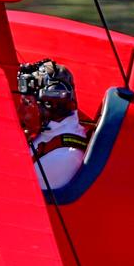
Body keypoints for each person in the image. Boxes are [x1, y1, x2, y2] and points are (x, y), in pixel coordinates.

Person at [17, 59, 89, 190]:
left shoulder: (62, 157)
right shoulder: (50, 130)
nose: (21, 111)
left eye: (27, 103)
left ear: (51, 104)